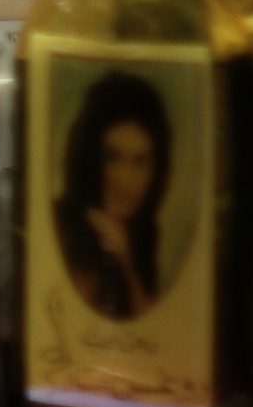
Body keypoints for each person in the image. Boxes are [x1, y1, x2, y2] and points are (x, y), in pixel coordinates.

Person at [54, 70, 174, 321]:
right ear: (89, 158)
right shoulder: (62, 223)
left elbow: (150, 321)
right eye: (112, 158)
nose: (126, 180)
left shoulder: (144, 234)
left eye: (141, 162)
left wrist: (126, 261)